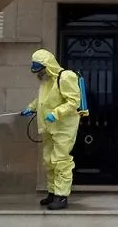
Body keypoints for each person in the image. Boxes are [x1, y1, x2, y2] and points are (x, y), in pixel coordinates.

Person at [20, 48, 81, 210]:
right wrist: (31, 108)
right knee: (49, 160)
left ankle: (62, 197)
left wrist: (56, 113)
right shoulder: (46, 81)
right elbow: (42, 100)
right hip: (48, 127)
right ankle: (53, 192)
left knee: (61, 161)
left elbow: (73, 101)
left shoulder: (66, 77)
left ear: (48, 66)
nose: (39, 74)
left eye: (40, 70)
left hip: (64, 127)